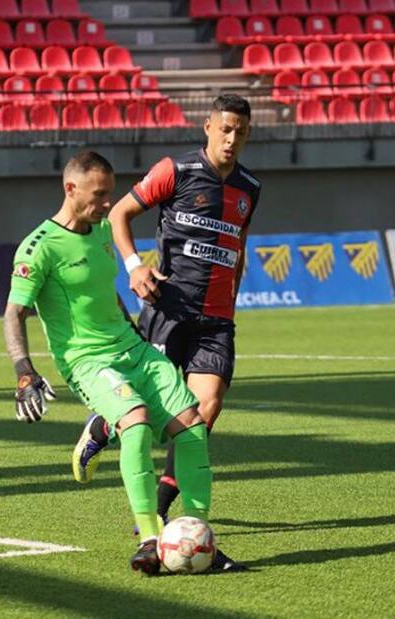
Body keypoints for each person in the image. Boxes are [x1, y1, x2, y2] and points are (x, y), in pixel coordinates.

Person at [3, 151, 216, 575]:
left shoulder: (102, 231)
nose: (107, 204)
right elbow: (13, 313)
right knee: (135, 424)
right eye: (99, 195)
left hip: (131, 347)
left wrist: (135, 332)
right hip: (87, 360)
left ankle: (196, 531)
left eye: (110, 194)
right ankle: (150, 537)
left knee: (192, 425)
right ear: (71, 189)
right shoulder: (39, 246)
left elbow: (106, 291)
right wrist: (24, 371)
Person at [72, 94, 260, 571]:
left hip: (216, 321)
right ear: (208, 128)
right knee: (148, 411)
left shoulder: (250, 188)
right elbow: (119, 215)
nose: (231, 139)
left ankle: (172, 517)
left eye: (240, 131)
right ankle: (103, 425)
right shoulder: (174, 171)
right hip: (169, 309)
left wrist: (233, 297)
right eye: (225, 129)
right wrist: (134, 267)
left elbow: (237, 246)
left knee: (204, 410)